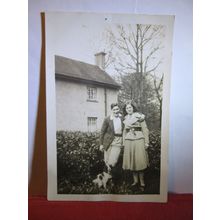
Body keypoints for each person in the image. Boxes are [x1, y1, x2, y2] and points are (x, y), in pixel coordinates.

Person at [122, 101, 150, 191]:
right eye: (127, 108)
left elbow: (145, 130)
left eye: (130, 107)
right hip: (129, 141)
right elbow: (124, 132)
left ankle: (142, 182)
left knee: (139, 161)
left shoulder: (139, 116)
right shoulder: (125, 118)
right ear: (125, 110)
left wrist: (147, 142)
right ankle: (135, 182)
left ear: (133, 108)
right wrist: (123, 142)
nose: (128, 109)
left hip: (139, 140)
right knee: (132, 162)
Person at [99, 103, 123, 175]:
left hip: (118, 141)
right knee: (106, 161)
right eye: (114, 109)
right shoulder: (107, 119)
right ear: (111, 110)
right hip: (108, 142)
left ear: (119, 110)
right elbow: (102, 132)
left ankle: (109, 177)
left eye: (117, 109)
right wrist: (101, 144)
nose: (116, 111)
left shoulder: (122, 118)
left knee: (113, 162)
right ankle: (106, 180)